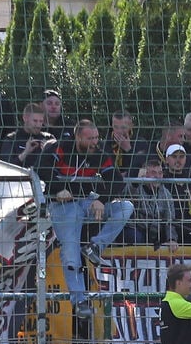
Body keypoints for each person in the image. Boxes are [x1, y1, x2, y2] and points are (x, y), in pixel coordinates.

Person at [36, 119, 133, 319]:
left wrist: (102, 200)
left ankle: (95, 247)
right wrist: (57, 189)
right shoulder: (60, 147)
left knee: (125, 207)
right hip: (63, 205)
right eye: (90, 138)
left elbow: (116, 180)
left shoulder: (99, 151)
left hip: (86, 202)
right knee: (70, 250)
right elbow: (42, 169)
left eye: (96, 137)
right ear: (78, 136)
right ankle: (79, 299)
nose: (94, 142)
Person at [122, 159, 179, 251]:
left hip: (155, 233)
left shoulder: (166, 193)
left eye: (160, 173)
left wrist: (171, 239)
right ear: (144, 173)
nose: (157, 176)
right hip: (135, 230)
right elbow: (128, 192)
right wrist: (137, 181)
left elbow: (170, 220)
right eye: (153, 173)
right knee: (135, 236)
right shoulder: (134, 187)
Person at [0, 103, 55, 168]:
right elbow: (5, 167)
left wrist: (48, 152)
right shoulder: (12, 139)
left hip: (43, 177)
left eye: (41, 121)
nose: (38, 125)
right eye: (35, 121)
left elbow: (60, 165)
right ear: (25, 118)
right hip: (19, 177)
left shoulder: (48, 138)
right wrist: (25, 153)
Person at [102, 111, 149, 178]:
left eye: (123, 127)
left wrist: (128, 149)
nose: (119, 131)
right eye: (115, 127)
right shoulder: (105, 144)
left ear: (131, 126)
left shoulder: (140, 142)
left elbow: (142, 168)